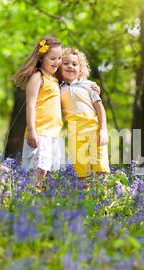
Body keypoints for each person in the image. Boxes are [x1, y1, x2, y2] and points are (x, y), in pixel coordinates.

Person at [10, 36, 64, 188]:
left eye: (59, 58)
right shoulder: (37, 77)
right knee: (38, 169)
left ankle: (40, 201)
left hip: (53, 133)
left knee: (47, 170)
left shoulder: (53, 79)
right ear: (41, 58)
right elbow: (31, 104)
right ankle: (29, 197)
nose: (57, 62)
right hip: (40, 132)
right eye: (53, 58)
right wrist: (32, 130)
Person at [56, 48, 110, 183]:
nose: (70, 66)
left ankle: (101, 200)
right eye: (66, 63)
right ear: (59, 67)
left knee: (100, 168)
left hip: (94, 129)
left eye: (74, 64)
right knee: (81, 170)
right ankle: (84, 201)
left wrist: (103, 130)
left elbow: (100, 109)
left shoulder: (89, 85)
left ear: (80, 69)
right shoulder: (58, 89)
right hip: (74, 132)